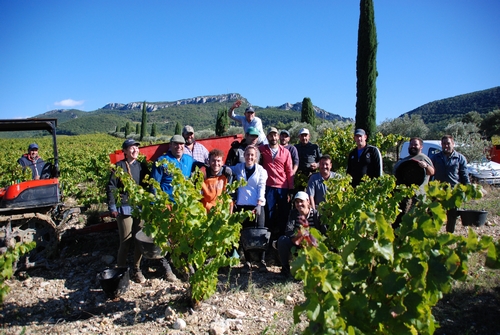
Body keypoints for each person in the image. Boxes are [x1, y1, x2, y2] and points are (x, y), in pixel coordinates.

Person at [106, 139, 149, 283]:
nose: (135, 150)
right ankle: (121, 271)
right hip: (124, 208)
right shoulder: (118, 167)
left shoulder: (142, 167)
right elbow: (111, 187)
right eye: (131, 148)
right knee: (125, 241)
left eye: (136, 147)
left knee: (139, 240)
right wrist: (112, 207)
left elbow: (148, 186)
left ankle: (136, 269)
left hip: (140, 207)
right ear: (124, 151)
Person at [232, 145, 268, 272]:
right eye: (247, 154)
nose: (250, 157)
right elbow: (227, 169)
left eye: (252, 155)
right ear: (244, 156)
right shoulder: (238, 168)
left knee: (260, 233)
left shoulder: (261, 170)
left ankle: (261, 261)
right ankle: (247, 262)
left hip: (256, 205)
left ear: (256, 157)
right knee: (245, 234)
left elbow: (261, 187)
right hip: (242, 205)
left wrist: (259, 204)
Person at [276, 191, 325, 279]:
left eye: (301, 201)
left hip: (314, 245)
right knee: (282, 240)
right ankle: (285, 269)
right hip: (298, 243)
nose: (299, 204)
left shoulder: (316, 214)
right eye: (297, 202)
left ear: (308, 201)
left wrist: (312, 242)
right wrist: (298, 240)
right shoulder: (293, 213)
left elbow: (323, 233)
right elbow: (288, 230)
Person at [259, 127, 294, 237]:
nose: (273, 137)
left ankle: (283, 237)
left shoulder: (286, 152)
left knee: (284, 213)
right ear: (267, 137)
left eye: (275, 135)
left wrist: (290, 189)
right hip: (268, 186)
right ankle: (268, 237)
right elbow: (251, 151)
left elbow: (289, 171)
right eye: (271, 135)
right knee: (269, 212)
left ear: (278, 137)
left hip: (282, 187)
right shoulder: (262, 150)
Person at [431, 135, 470, 233]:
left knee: (452, 215)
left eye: (448, 143)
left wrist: (468, 188)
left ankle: (449, 235)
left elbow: (464, 175)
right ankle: (434, 234)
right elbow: (430, 173)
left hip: (453, 191)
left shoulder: (460, 158)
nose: (446, 146)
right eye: (444, 143)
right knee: (435, 213)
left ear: (453, 144)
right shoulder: (436, 157)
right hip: (438, 190)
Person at [151, 134, 195, 199]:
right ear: (170, 145)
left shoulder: (189, 159)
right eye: (176, 144)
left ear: (184, 146)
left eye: (181, 144)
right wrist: (159, 202)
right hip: (167, 202)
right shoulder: (161, 160)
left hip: (183, 202)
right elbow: (154, 184)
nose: (179, 146)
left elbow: (200, 165)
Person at [294, 128, 321, 192]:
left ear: (309, 136)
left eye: (305, 135)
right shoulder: (295, 148)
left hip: (312, 176)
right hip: (298, 177)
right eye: (302, 136)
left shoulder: (314, 147)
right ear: (299, 137)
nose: (304, 138)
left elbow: (321, 161)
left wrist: (317, 165)